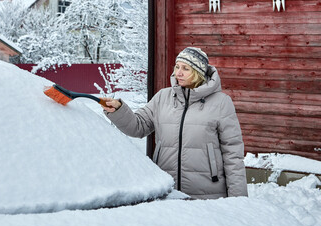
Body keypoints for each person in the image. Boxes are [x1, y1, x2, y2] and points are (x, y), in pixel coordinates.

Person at [101, 47, 248, 200]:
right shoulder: (163, 98)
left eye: (185, 68)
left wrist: (238, 200)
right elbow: (138, 126)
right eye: (177, 66)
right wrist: (118, 110)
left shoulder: (221, 103)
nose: (178, 73)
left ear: (198, 73)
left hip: (207, 196)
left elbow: (233, 154)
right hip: (167, 192)